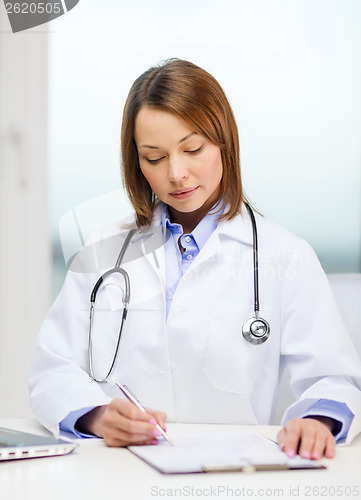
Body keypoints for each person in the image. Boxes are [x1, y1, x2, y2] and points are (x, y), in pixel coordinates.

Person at [29, 59, 361, 460]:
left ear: (224, 141)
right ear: (136, 161)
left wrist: (316, 421)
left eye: (192, 149)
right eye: (154, 158)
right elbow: (52, 368)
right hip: (117, 472)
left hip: (234, 472)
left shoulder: (285, 256)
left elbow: (334, 379)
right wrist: (98, 417)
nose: (177, 173)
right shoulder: (105, 250)